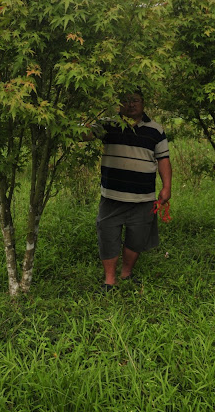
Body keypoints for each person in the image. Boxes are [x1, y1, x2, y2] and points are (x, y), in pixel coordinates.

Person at [84, 90, 172, 290]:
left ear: (143, 103)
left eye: (136, 100)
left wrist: (167, 187)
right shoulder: (107, 124)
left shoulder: (155, 130)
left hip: (143, 198)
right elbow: (85, 134)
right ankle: (109, 280)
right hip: (112, 196)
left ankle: (126, 274)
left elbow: (163, 159)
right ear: (119, 103)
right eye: (126, 100)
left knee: (137, 238)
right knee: (107, 236)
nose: (131, 104)